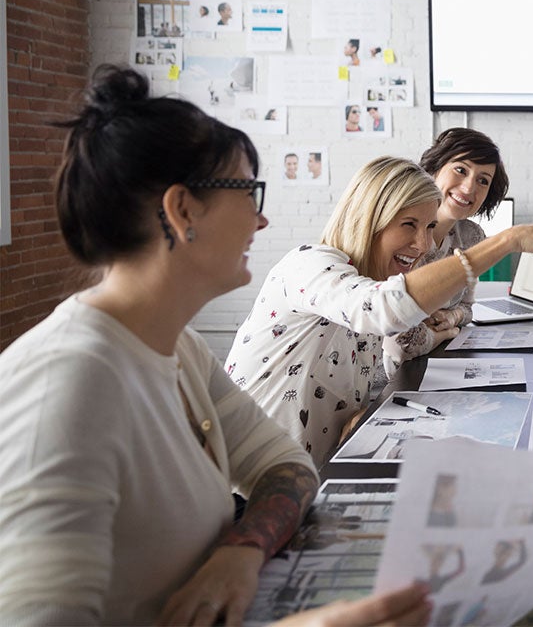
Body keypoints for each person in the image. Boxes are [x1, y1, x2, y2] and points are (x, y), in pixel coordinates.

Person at [0, 65, 325, 624]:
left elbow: (286, 464)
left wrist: (240, 551)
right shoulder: (71, 382)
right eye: (249, 191)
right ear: (182, 211)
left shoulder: (180, 348)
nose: (262, 217)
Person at [226, 156, 533, 465]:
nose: (424, 245)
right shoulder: (308, 264)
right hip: (246, 490)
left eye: (430, 227)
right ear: (368, 218)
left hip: (305, 478)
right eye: (409, 225)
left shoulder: (372, 281)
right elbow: (385, 309)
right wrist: (507, 241)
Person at [410, 128, 511, 334]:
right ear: (434, 168)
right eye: (461, 170)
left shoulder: (472, 236)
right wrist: (451, 332)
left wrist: (452, 317)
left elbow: (466, 307)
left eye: (483, 181)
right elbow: (398, 341)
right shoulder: (402, 231)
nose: (468, 188)